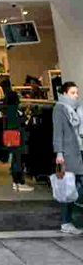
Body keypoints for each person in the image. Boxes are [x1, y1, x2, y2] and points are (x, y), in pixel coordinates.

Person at [53, 81, 83, 235]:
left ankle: (68, 221)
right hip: (67, 155)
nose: (76, 95)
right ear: (64, 93)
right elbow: (58, 132)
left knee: (73, 187)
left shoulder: (74, 109)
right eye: (72, 93)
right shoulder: (60, 109)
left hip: (78, 152)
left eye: (77, 92)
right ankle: (66, 222)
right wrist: (59, 153)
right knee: (67, 188)